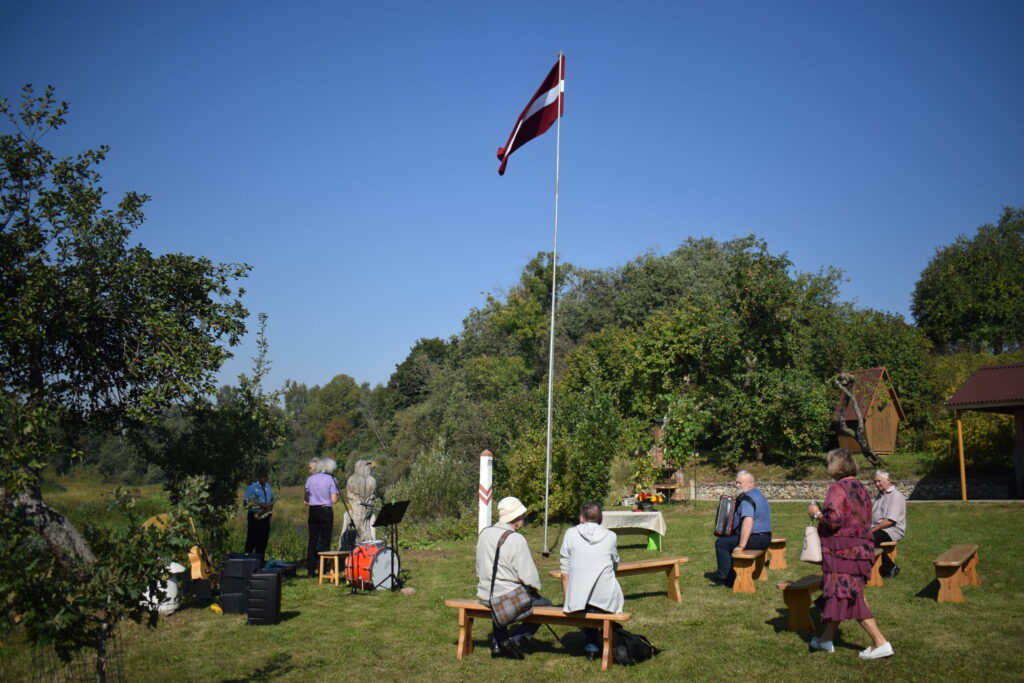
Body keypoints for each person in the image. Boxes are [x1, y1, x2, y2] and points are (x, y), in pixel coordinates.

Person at [807, 448, 894, 660]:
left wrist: (816, 513)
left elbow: (834, 520)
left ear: (835, 465)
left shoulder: (837, 488)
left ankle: (880, 642)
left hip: (843, 552)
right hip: (861, 550)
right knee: (843, 593)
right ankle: (825, 639)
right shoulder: (862, 488)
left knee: (851, 597)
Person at [476, 496, 552, 660]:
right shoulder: (516, 539)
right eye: (523, 515)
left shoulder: (484, 533)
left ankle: (498, 642)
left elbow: (478, 565)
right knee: (547, 606)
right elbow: (528, 576)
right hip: (504, 598)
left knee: (498, 600)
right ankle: (514, 640)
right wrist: (534, 589)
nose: (524, 518)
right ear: (516, 518)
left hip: (485, 594)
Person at [559, 501, 624, 661]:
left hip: (579, 599)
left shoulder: (570, 534)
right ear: (600, 518)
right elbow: (615, 563)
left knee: (585, 595)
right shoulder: (610, 536)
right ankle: (607, 642)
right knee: (599, 593)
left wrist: (567, 596)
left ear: (581, 518)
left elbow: (564, 568)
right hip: (605, 598)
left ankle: (591, 648)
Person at [713, 470, 772, 587]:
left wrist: (741, 546)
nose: (737, 485)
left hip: (757, 538)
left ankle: (726, 579)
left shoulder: (747, 500)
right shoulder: (758, 494)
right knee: (728, 540)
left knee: (721, 543)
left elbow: (747, 522)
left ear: (750, 483)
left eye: (740, 483)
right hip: (766, 537)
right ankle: (732, 574)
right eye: (736, 482)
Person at [304, 457, 339, 577]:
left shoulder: (310, 479)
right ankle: (323, 568)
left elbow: (306, 499)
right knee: (325, 540)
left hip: (313, 510)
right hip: (325, 510)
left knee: (312, 539)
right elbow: (334, 500)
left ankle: (310, 569)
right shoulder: (331, 479)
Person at [870, 469, 906, 578]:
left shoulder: (895, 496)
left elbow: (890, 521)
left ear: (888, 480)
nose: (877, 484)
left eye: (879, 481)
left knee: (870, 539)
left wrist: (871, 530)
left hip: (892, 530)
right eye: (875, 482)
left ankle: (890, 567)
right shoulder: (881, 495)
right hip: (879, 528)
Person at [346, 459, 378, 544]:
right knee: (363, 526)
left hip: (358, 508)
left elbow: (350, 496)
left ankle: (361, 545)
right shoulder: (372, 480)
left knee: (360, 526)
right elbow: (373, 497)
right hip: (366, 508)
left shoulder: (352, 479)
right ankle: (364, 544)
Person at [243, 471, 274, 557]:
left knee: (263, 540)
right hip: (255, 516)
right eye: (262, 477)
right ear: (258, 477)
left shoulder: (268, 486)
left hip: (265, 516)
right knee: (252, 540)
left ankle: (260, 561)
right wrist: (262, 505)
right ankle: (247, 560)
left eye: (266, 476)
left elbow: (271, 499)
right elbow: (245, 503)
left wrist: (270, 510)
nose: (264, 478)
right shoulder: (252, 487)